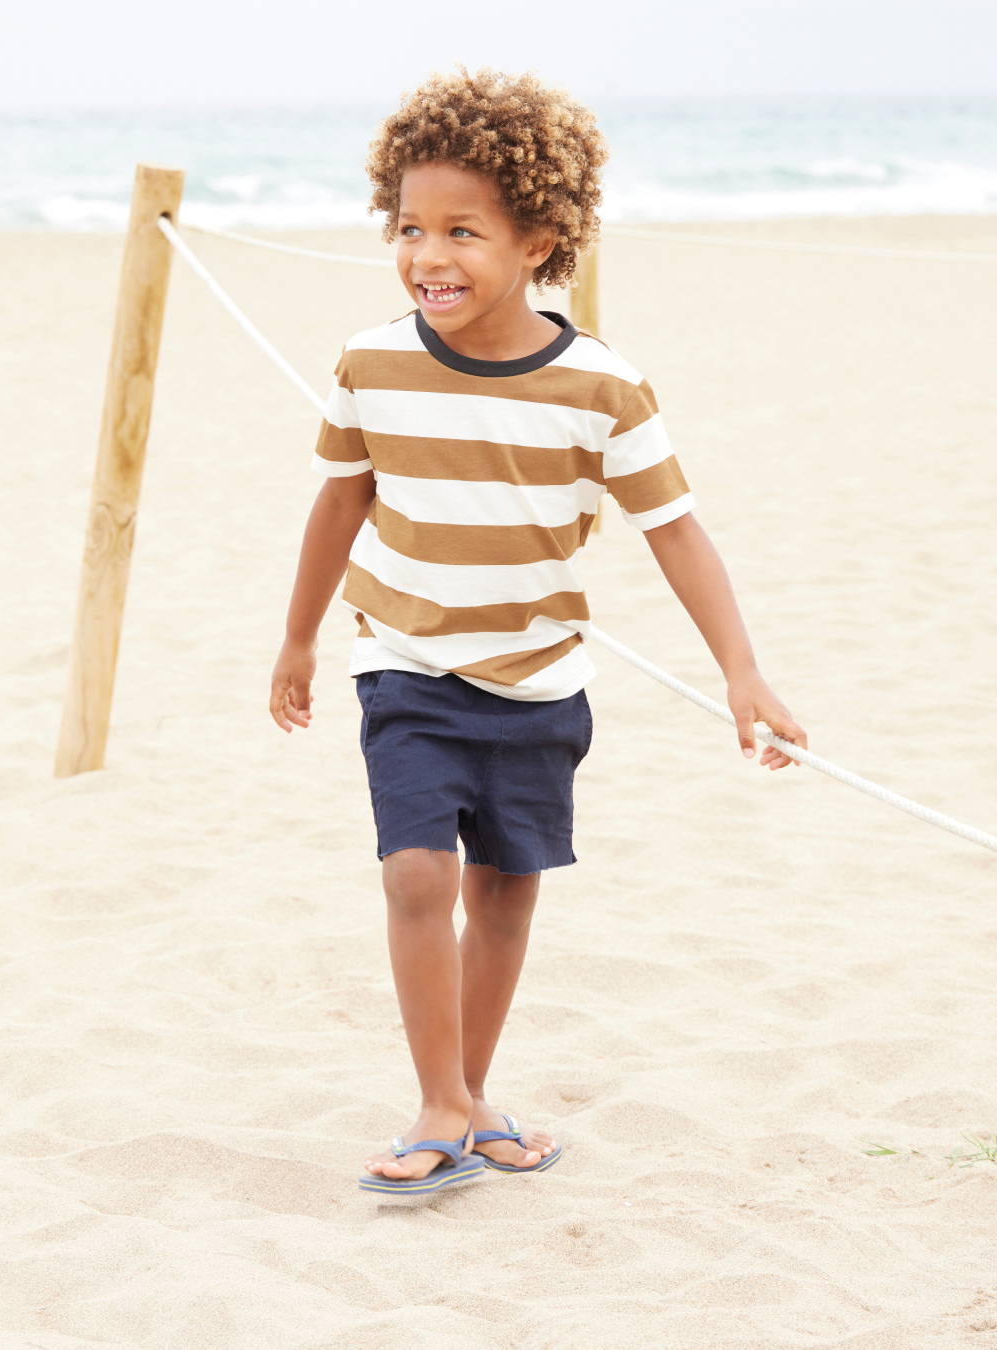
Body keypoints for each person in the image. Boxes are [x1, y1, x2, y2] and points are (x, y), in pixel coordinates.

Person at [269, 69, 807, 1195]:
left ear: (542, 237)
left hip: (539, 684)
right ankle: (435, 1106)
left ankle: (470, 1095)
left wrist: (743, 672)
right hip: (406, 663)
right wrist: (301, 638)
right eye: (409, 228)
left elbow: (676, 532)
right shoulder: (372, 362)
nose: (428, 257)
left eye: (463, 230)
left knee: (503, 895)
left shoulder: (603, 388)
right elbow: (338, 504)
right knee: (417, 876)